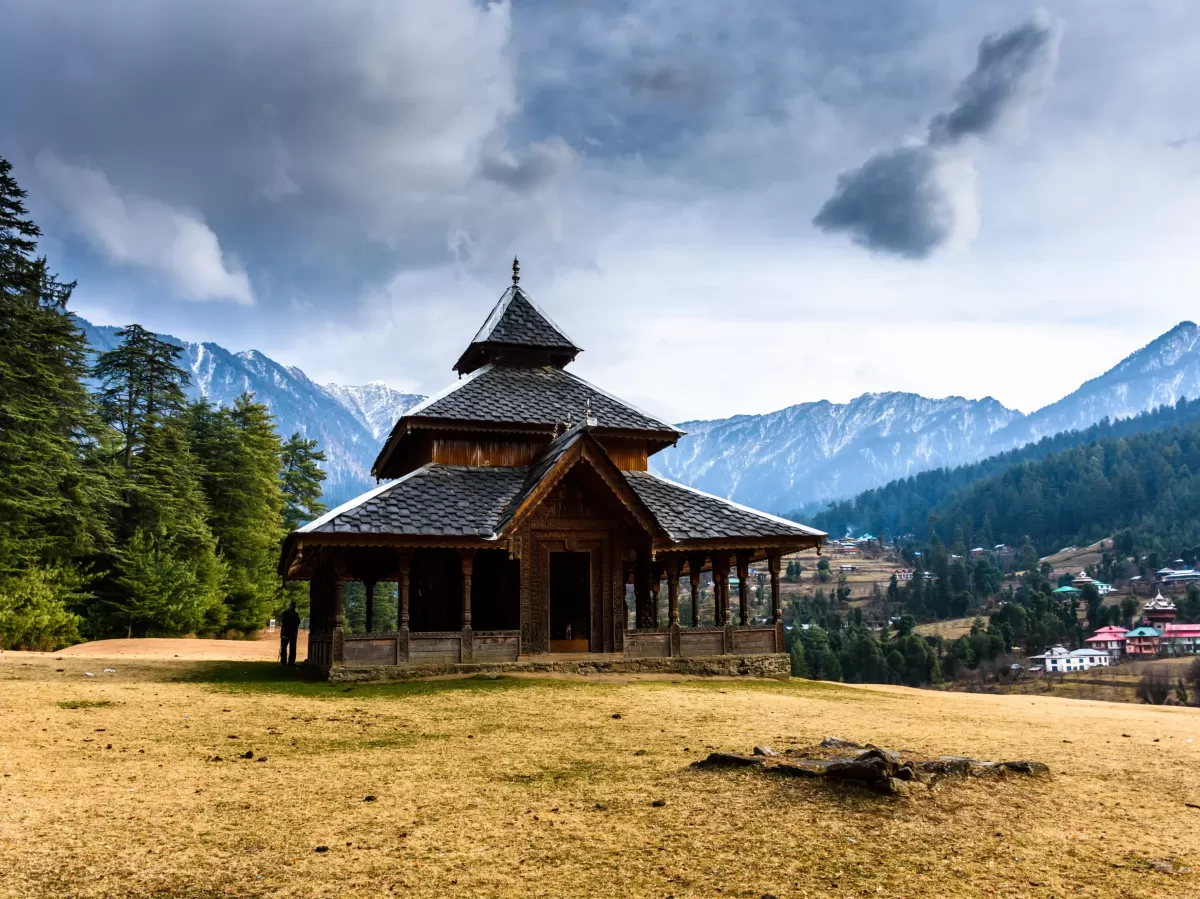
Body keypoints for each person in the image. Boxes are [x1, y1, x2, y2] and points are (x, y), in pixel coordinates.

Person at [280, 601, 301, 666]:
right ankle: (283, 662)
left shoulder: (296, 614)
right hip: (285, 632)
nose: (293, 607)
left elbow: (298, 622)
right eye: (292, 605)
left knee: (293, 648)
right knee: (283, 647)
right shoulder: (284, 613)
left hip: (293, 633)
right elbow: (283, 621)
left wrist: (293, 618)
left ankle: (291, 662)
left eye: (294, 606)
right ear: (289, 606)